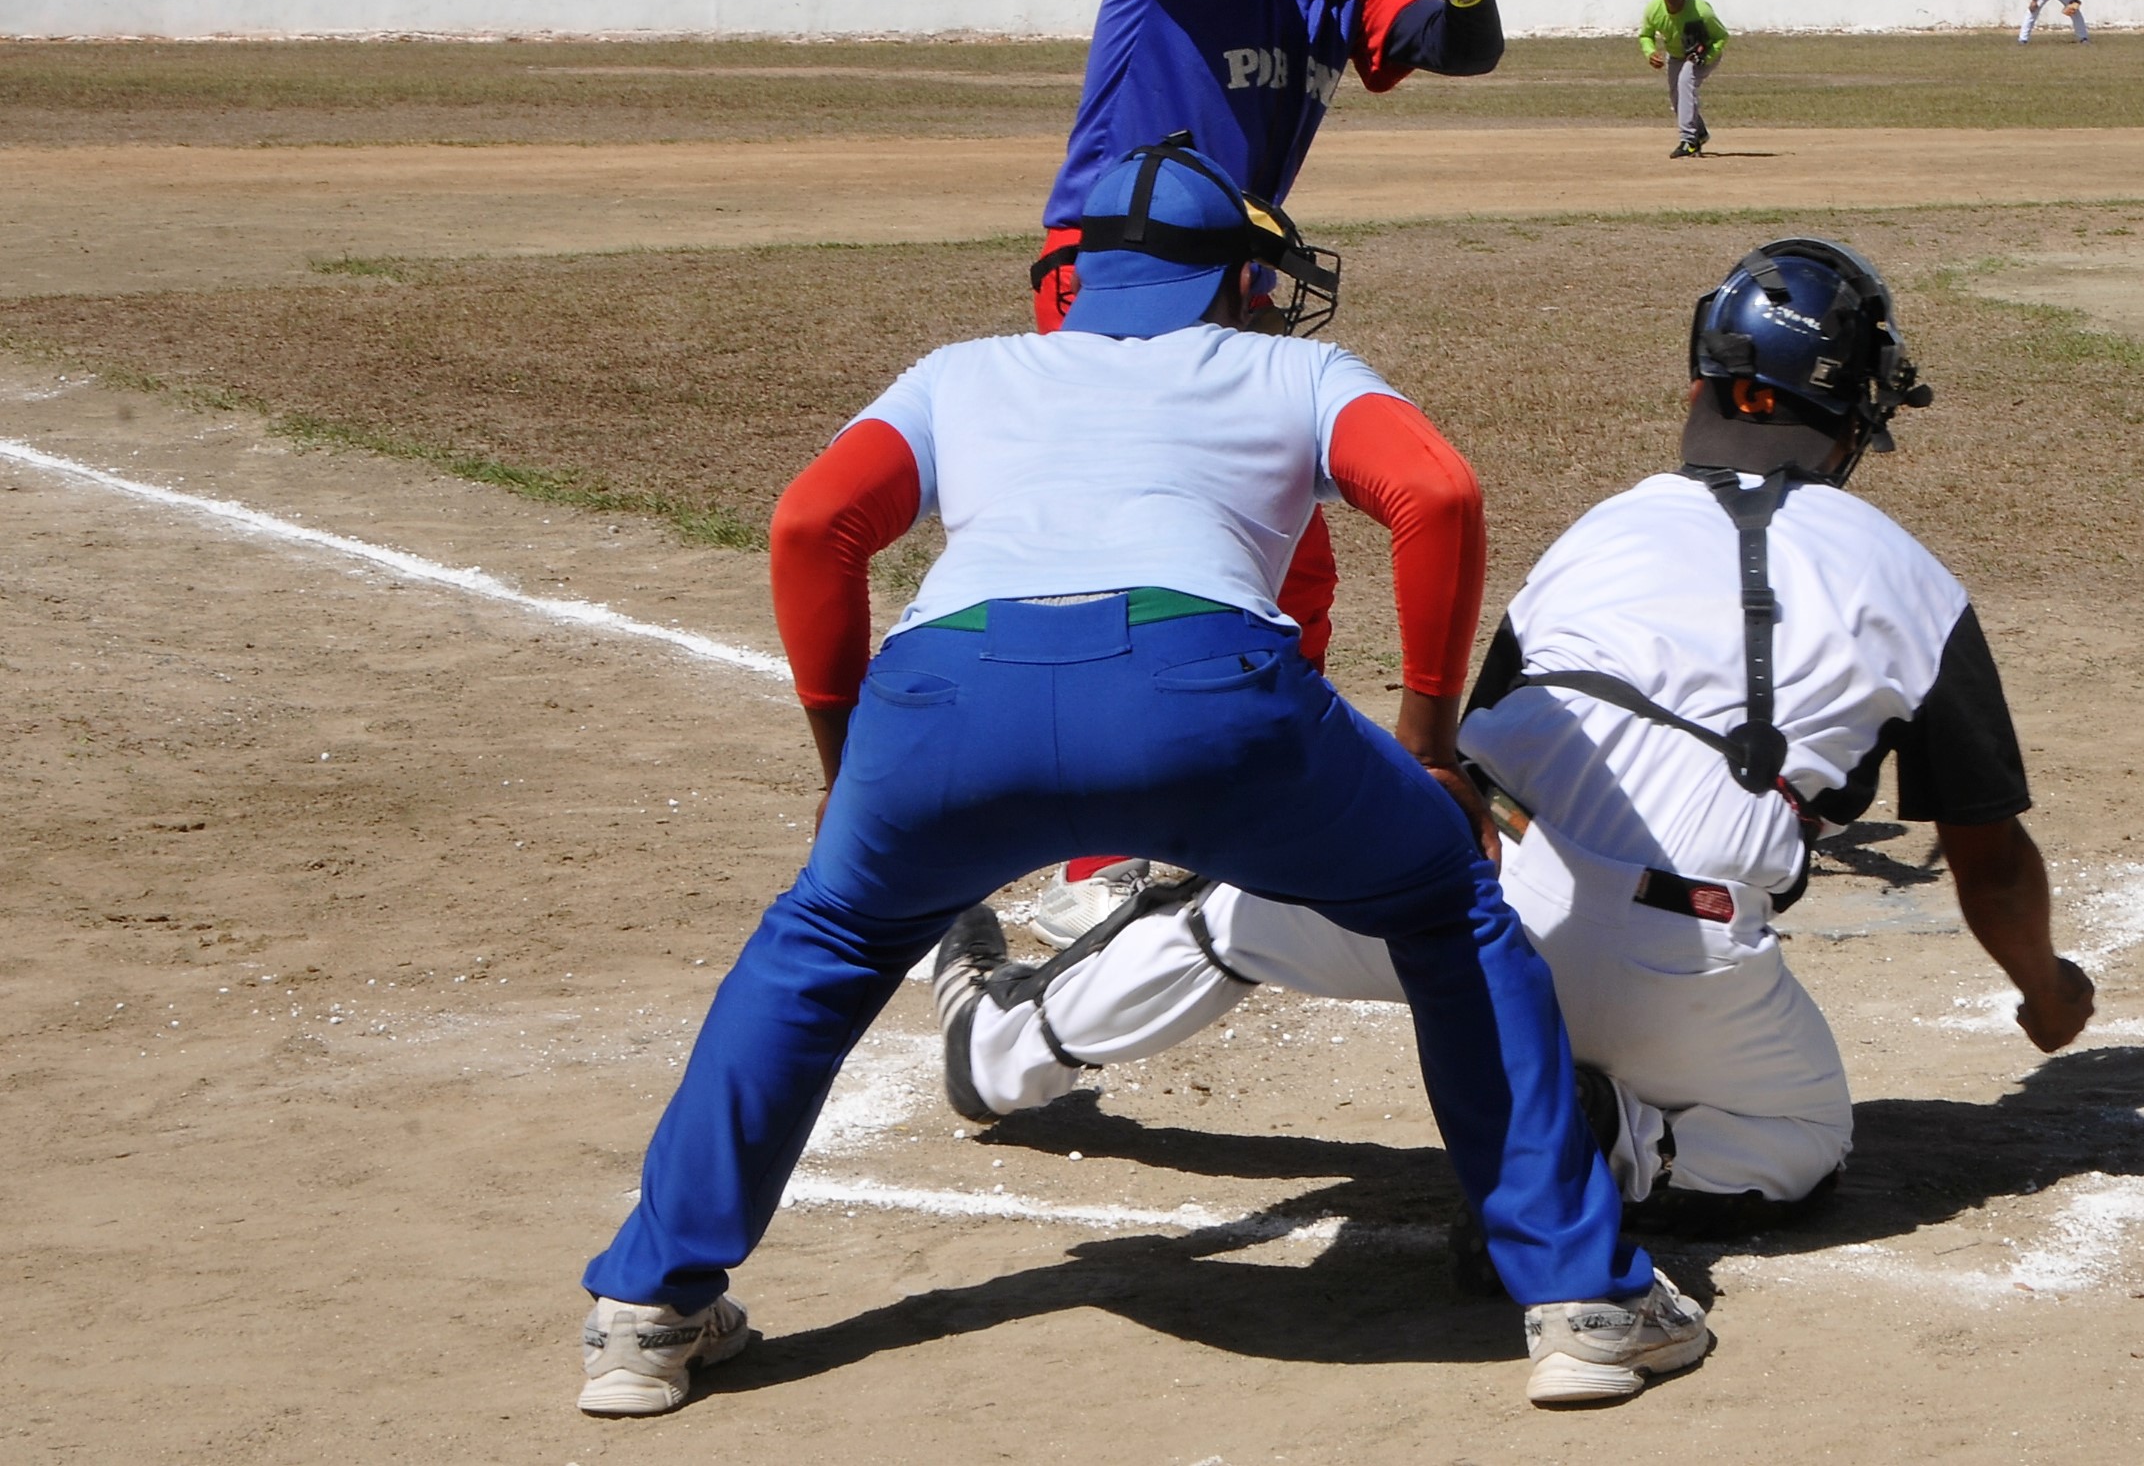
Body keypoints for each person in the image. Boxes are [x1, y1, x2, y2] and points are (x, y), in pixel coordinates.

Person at [573, 139, 1708, 1418]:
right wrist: (1430, 742)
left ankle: (648, 1311)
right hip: (1206, 698)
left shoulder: (958, 374)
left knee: (826, 938)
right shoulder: (1295, 367)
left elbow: (808, 525)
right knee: (1447, 908)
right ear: (1234, 279)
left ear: (1078, 276)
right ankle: (1583, 1299)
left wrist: (849, 768)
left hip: (949, 703)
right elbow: (1436, 494)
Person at [929, 238, 2095, 1248]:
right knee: (1797, 1136)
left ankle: (1003, 1048)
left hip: (1473, 923)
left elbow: (1461, 770)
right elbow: (1989, 862)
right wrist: (2046, 996)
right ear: (1854, 415)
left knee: (1230, 915)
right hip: (1685, 964)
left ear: (1707, 381)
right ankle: (1610, 1147)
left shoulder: (1606, 528)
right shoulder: (1916, 583)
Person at [1024, 0, 1503, 944]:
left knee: (1288, 569)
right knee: (1154, 556)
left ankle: (1245, 807)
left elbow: (1461, 49)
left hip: (1227, 289)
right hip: (1115, 277)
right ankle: (1103, 860)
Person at [1636, 0, 1728, 158]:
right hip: (1676, 55)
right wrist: (1650, 52)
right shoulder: (1654, 10)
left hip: (1702, 54)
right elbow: (1646, 35)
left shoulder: (1701, 11)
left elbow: (1721, 36)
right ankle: (1699, 132)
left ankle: (1689, 141)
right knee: (1677, 96)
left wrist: (1706, 57)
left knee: (1685, 82)